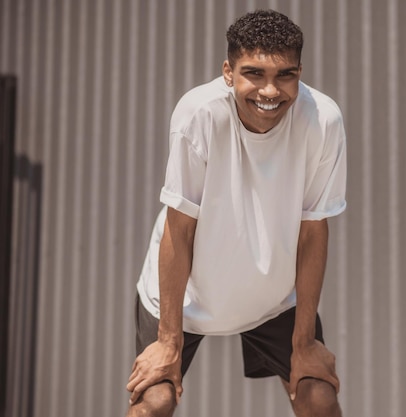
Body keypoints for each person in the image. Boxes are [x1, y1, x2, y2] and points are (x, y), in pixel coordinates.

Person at [125, 9, 347, 417]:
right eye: (254, 73)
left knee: (319, 398)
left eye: (285, 75)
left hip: (272, 297)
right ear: (228, 72)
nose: (270, 90)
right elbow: (180, 230)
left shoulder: (322, 120)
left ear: (300, 72)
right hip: (187, 297)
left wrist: (304, 344)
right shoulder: (200, 114)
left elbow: (313, 232)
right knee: (153, 403)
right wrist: (168, 342)